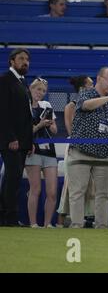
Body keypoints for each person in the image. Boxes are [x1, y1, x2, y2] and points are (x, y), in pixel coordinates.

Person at [66, 67, 108, 228]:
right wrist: (107, 98)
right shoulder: (86, 93)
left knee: (105, 194)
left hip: (105, 154)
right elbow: (86, 106)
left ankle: (102, 227)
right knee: (78, 192)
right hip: (81, 151)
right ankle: (76, 225)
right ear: (99, 78)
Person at [0, 48, 33, 227]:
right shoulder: (5, 80)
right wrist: (11, 137)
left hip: (21, 142)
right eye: (21, 58)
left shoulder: (22, 82)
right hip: (11, 141)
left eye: (27, 59)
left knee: (15, 179)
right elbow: (3, 112)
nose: (25, 62)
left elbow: (25, 116)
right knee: (12, 179)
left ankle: (9, 216)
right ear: (12, 61)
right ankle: (7, 217)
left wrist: (29, 141)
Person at [56, 75, 95, 227]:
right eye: (91, 84)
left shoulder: (93, 105)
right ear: (83, 88)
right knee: (71, 184)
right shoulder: (71, 106)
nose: (93, 87)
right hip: (75, 147)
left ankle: (85, 219)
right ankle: (62, 219)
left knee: (90, 185)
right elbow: (72, 130)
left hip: (91, 148)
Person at [25, 78, 58, 228]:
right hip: (32, 150)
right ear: (31, 89)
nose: (40, 93)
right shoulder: (24, 106)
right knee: (35, 189)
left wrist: (50, 124)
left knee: (52, 191)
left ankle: (47, 223)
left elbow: (55, 130)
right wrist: (39, 125)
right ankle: (33, 223)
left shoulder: (47, 106)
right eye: (38, 89)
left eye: (43, 91)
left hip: (49, 150)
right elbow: (24, 132)